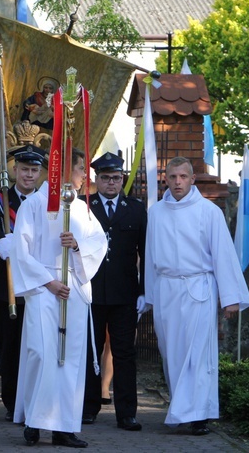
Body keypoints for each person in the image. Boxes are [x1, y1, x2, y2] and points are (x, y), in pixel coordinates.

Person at [144, 157, 249, 435]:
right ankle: (180, 409)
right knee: (172, 353)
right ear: (165, 180)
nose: (178, 182)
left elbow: (223, 255)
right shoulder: (156, 212)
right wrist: (150, 295)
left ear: (192, 179)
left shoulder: (208, 212)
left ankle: (199, 414)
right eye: (172, 177)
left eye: (183, 176)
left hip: (199, 289)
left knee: (198, 354)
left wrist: (229, 297)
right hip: (167, 288)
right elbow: (150, 256)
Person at [10, 147, 108, 448]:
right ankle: (35, 420)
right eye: (81, 170)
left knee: (71, 359)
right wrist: (49, 282)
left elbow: (99, 244)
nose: (85, 177)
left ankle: (64, 426)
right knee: (42, 352)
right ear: (66, 171)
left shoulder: (81, 209)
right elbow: (20, 250)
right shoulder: (35, 204)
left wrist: (77, 247)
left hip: (74, 286)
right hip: (44, 288)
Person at [80, 152, 147, 431]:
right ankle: (88, 406)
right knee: (89, 351)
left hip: (124, 292)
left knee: (124, 352)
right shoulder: (85, 207)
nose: (111, 183)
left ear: (123, 179)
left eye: (116, 178)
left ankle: (127, 412)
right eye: (105, 178)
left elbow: (146, 252)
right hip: (91, 290)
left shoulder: (135, 208)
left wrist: (144, 291)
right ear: (96, 180)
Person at [0, 144, 46, 422]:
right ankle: (11, 401)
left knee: (34, 344)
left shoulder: (46, 201)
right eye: (24, 170)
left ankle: (32, 398)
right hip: (6, 282)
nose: (28, 175)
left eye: (34, 170)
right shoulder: (0, 198)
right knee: (9, 345)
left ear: (41, 173)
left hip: (36, 284)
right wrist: (1, 240)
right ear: (15, 170)